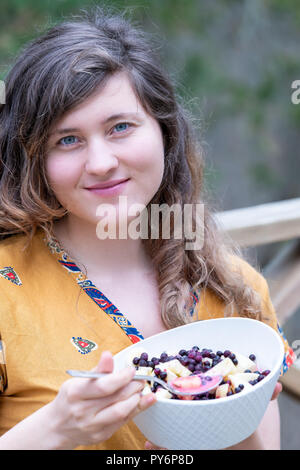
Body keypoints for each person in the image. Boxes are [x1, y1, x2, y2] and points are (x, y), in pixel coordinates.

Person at [0, 7, 295, 450]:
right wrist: (58, 428)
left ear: (165, 133)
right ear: (34, 159)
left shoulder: (237, 291)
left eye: (120, 127)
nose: (100, 163)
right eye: (67, 140)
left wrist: (234, 413)